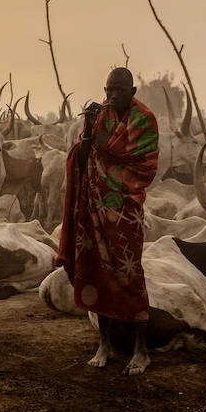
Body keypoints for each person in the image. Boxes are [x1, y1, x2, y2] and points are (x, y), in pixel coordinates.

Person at [55, 67, 160, 375]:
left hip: (125, 208)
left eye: (120, 91)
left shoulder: (144, 120)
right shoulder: (101, 115)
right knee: (96, 270)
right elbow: (85, 153)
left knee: (130, 275)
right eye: (109, 90)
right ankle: (105, 344)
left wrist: (99, 139)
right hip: (94, 205)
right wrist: (88, 126)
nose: (113, 95)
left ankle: (141, 350)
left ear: (133, 91)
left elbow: (143, 164)